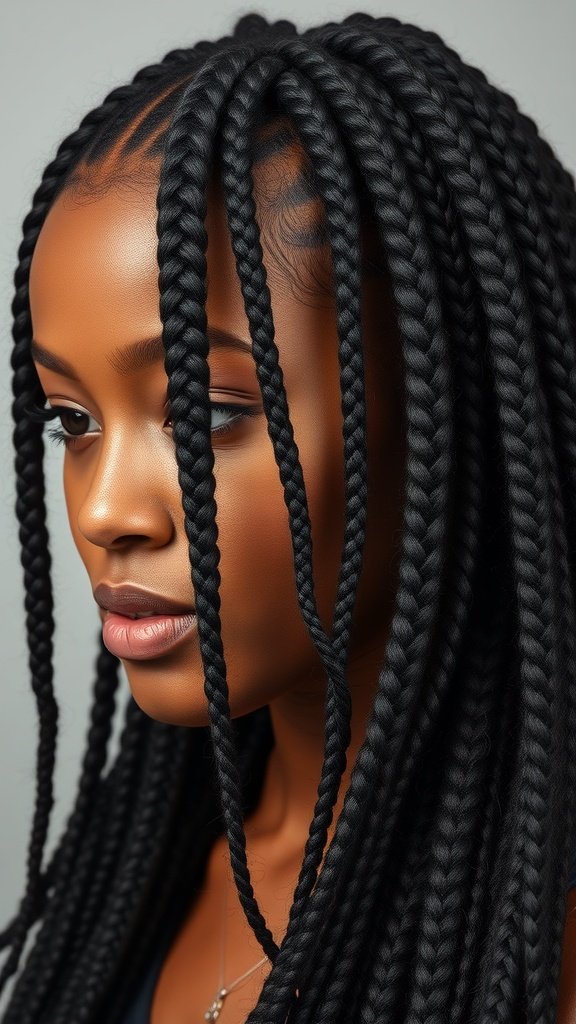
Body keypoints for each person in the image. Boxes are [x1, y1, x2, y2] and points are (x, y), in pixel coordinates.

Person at [1, 11, 575, 1023]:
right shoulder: (139, 874)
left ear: (448, 408)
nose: (103, 510)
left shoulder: (532, 947)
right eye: (73, 421)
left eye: (206, 413)